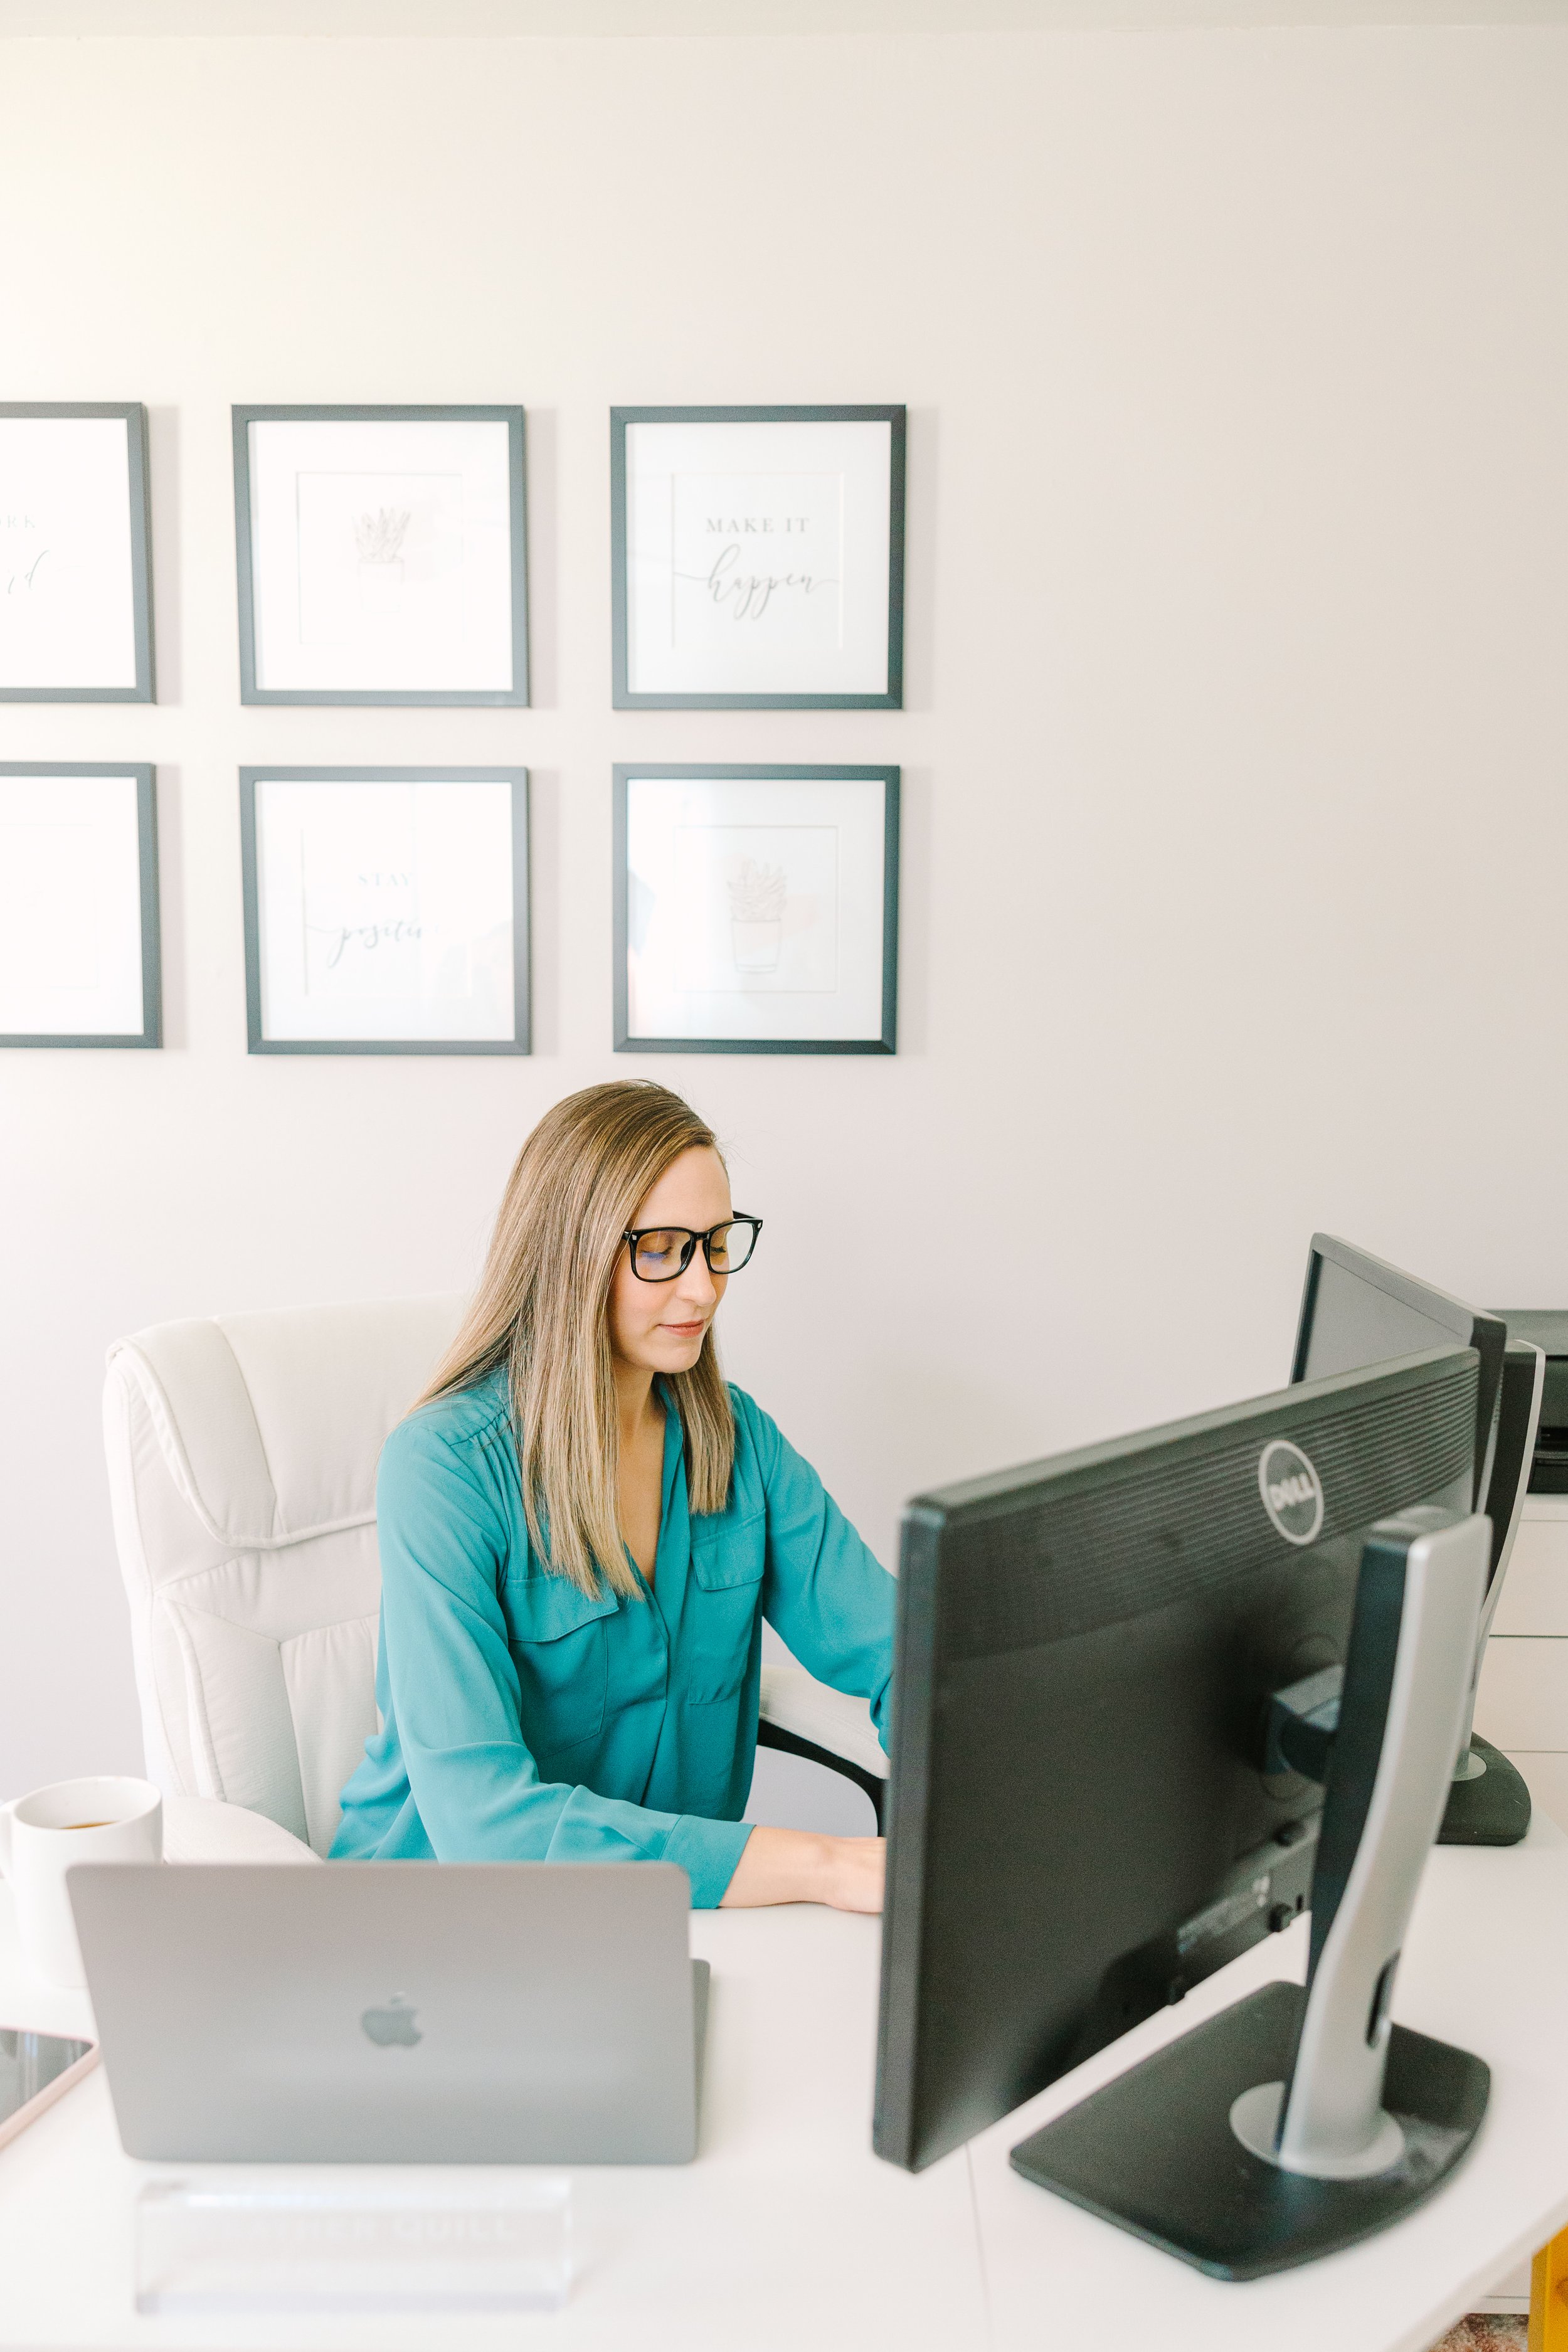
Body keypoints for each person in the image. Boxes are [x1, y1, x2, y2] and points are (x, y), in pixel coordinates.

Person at [332, 1080, 894, 1912]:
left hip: (658, 1926)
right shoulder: (443, 1468)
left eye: (715, 1243)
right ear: (572, 1253)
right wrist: (825, 1864)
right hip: (431, 1930)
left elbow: (906, 1651)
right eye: (662, 1248)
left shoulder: (737, 1445)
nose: (703, 1288)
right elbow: (487, 1828)